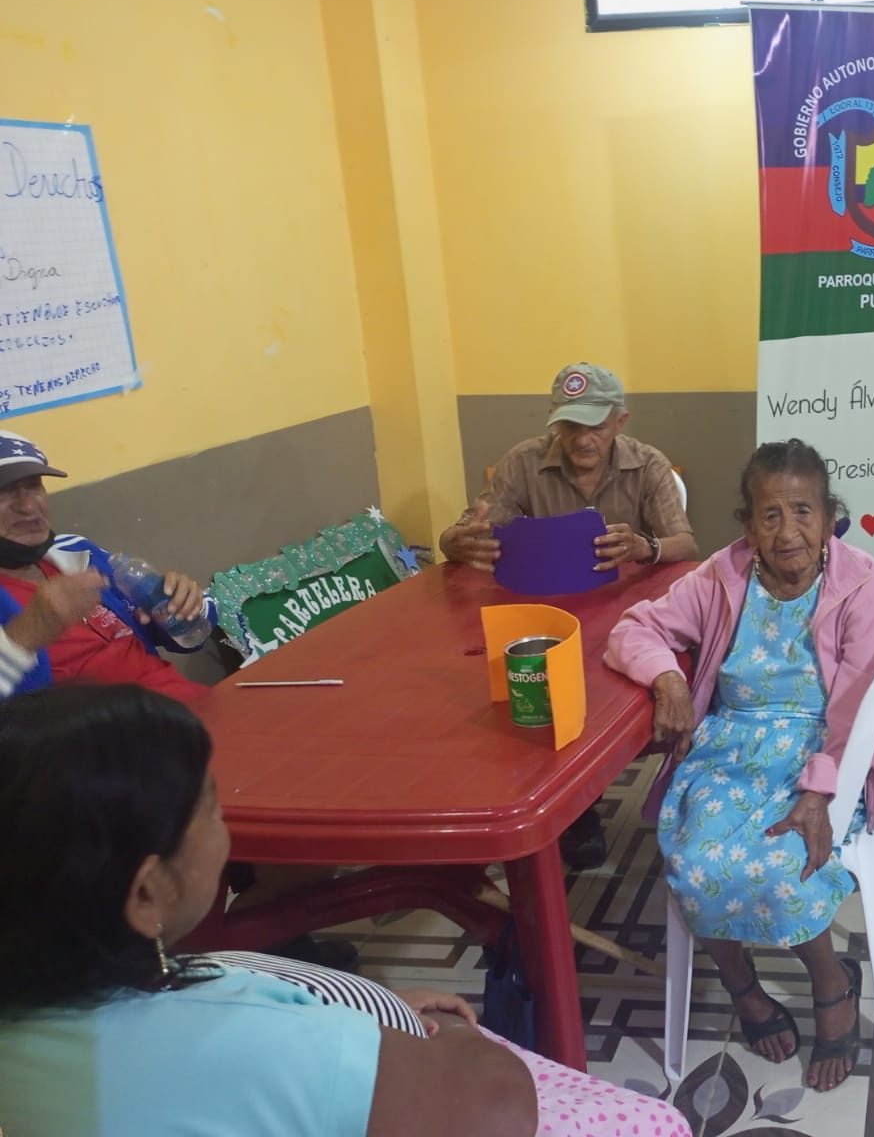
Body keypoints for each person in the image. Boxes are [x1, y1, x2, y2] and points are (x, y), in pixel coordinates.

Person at [0, 683, 693, 1137]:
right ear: (147, 894)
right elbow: (491, 1108)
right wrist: (451, 1037)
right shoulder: (246, 1046)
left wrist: (365, 1007)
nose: (224, 822)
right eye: (210, 807)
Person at [605, 439, 874, 1093]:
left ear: (829, 517)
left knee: (786, 863)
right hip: (729, 746)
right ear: (747, 524)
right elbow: (633, 629)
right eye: (770, 514)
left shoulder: (859, 581)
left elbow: (857, 707)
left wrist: (819, 793)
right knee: (694, 861)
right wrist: (668, 681)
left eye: (803, 511)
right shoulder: (722, 574)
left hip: (823, 750)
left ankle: (831, 984)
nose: (788, 531)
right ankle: (744, 988)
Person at [439, 362, 699, 869]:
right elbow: (471, 528)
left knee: (602, 692)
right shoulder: (522, 462)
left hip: (625, 614)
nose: (582, 439)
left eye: (595, 425)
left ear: (620, 421)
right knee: (522, 685)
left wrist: (644, 546)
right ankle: (560, 808)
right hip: (545, 612)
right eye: (570, 425)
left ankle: (581, 800)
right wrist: (454, 540)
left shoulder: (648, 465)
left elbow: (686, 545)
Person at [0, 431, 214, 705]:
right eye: (4, 491)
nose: (29, 506)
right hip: (114, 729)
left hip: (183, 706)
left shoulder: (76, 552)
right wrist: (24, 636)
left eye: (33, 485)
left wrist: (186, 606)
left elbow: (185, 639)